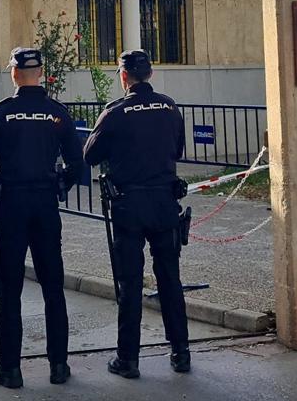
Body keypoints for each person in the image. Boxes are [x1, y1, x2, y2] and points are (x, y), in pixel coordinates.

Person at [0, 46, 85, 389]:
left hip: (12, 206)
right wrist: (59, 184)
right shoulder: (56, 113)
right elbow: (78, 164)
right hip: (45, 205)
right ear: (41, 73)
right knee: (53, 286)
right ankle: (59, 366)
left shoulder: (1, 112)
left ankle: (11, 369)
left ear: (14, 73)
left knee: (11, 290)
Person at [83, 49, 191, 379]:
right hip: (163, 204)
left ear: (124, 76)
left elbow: (89, 154)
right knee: (170, 279)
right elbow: (177, 150)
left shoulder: (115, 112)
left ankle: (128, 359)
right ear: (151, 75)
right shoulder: (170, 106)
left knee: (130, 283)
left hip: (129, 206)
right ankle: (181, 352)